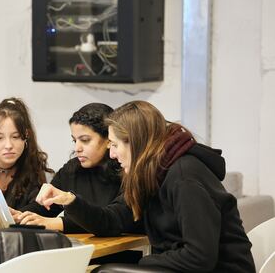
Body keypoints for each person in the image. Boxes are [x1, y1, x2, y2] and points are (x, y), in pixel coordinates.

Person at [34, 100, 255, 272]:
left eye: (115, 145)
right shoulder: (152, 174)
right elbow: (112, 220)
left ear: (135, 142)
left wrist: (145, 263)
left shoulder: (184, 176)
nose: (111, 154)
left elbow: (200, 256)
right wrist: (70, 201)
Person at [14, 103, 132, 235]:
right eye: (74, 140)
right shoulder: (72, 169)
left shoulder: (125, 171)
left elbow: (106, 221)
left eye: (85, 140)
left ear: (108, 140)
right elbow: (46, 206)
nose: (77, 148)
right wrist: (21, 215)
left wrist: (55, 222)